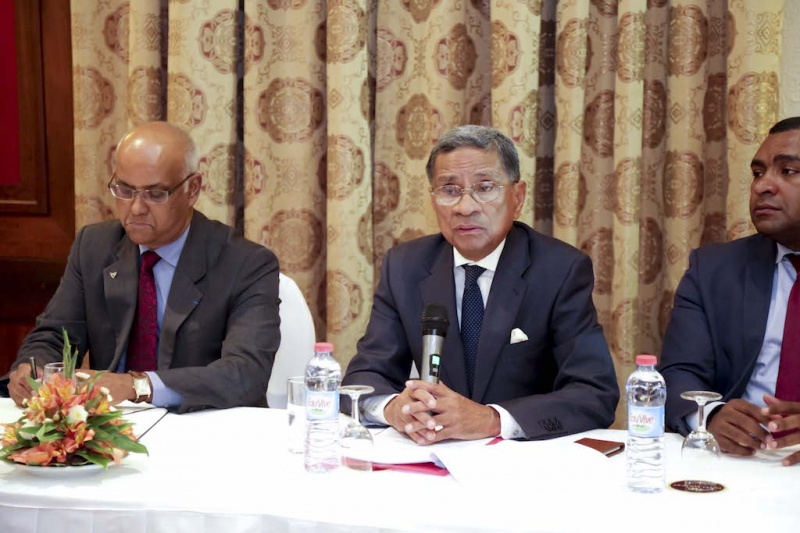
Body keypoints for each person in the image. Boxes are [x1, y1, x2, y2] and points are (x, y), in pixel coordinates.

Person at [341, 125, 619, 444]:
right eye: (449, 190)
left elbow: (594, 393)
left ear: (517, 197)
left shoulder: (560, 270)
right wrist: (394, 409)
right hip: (433, 455)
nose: (465, 207)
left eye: (485, 188)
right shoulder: (405, 267)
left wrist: (491, 419)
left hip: (523, 459)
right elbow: (364, 378)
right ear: (433, 199)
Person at [2, 121, 280, 412]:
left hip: (202, 423)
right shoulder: (94, 246)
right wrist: (32, 369)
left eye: (155, 194)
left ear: (193, 189)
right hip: (112, 425)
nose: (136, 208)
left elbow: (246, 374)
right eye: (124, 190)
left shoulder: (246, 264)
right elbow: (54, 336)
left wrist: (138, 386)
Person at [660, 116, 800, 466]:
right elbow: (678, 372)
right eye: (758, 173)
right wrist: (710, 415)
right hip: (742, 461)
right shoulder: (713, 270)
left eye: (788, 171)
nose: (762, 186)